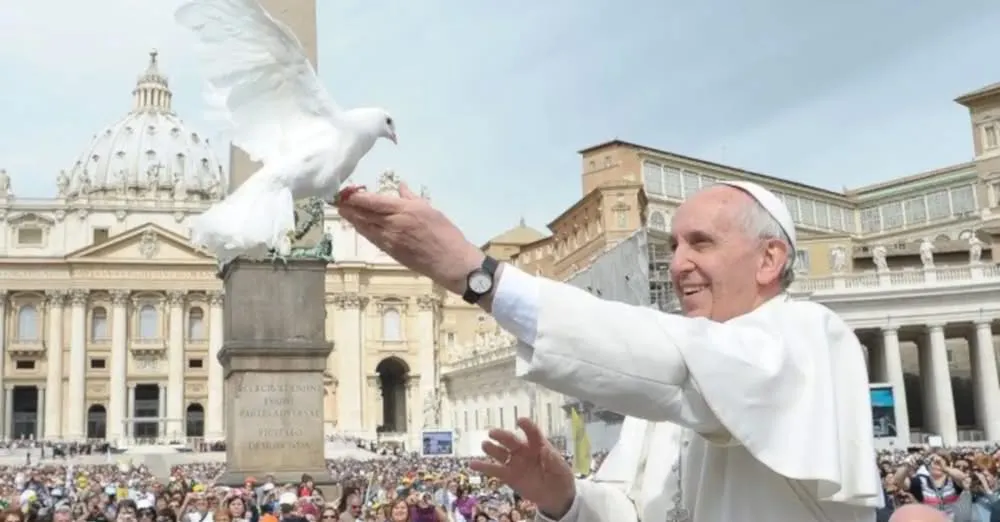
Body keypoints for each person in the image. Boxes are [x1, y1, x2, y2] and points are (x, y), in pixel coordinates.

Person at [338, 179, 883, 521]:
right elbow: (628, 510)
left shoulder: (813, 336)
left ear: (769, 260)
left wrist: (479, 277)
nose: (677, 264)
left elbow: (682, 364)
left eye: (702, 242)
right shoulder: (671, 398)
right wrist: (566, 497)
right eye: (673, 246)